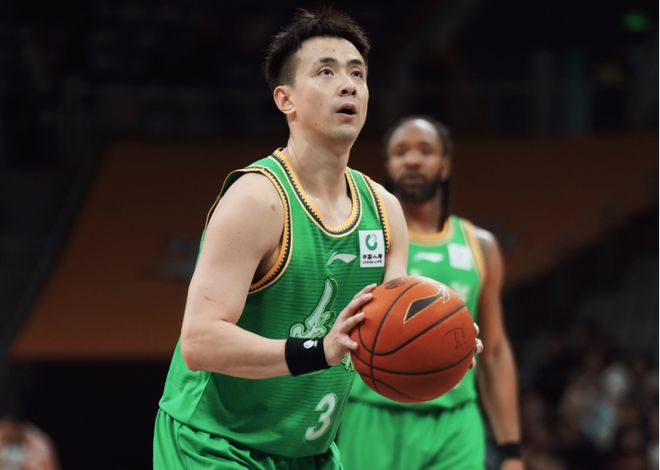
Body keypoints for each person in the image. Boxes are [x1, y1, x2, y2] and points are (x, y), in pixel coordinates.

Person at [153, 10, 482, 469]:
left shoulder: (385, 211)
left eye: (357, 74)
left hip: (309, 452)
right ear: (285, 99)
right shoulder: (257, 200)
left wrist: (439, 348)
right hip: (215, 443)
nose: (347, 85)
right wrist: (318, 350)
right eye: (326, 72)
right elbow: (200, 342)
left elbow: (383, 336)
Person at [338, 116, 522, 470]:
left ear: (445, 165)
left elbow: (495, 352)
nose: (412, 160)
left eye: (425, 151)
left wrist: (511, 450)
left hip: (455, 421)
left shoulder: (480, 246)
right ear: (388, 165)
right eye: (400, 152)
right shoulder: (364, 239)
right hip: (373, 415)